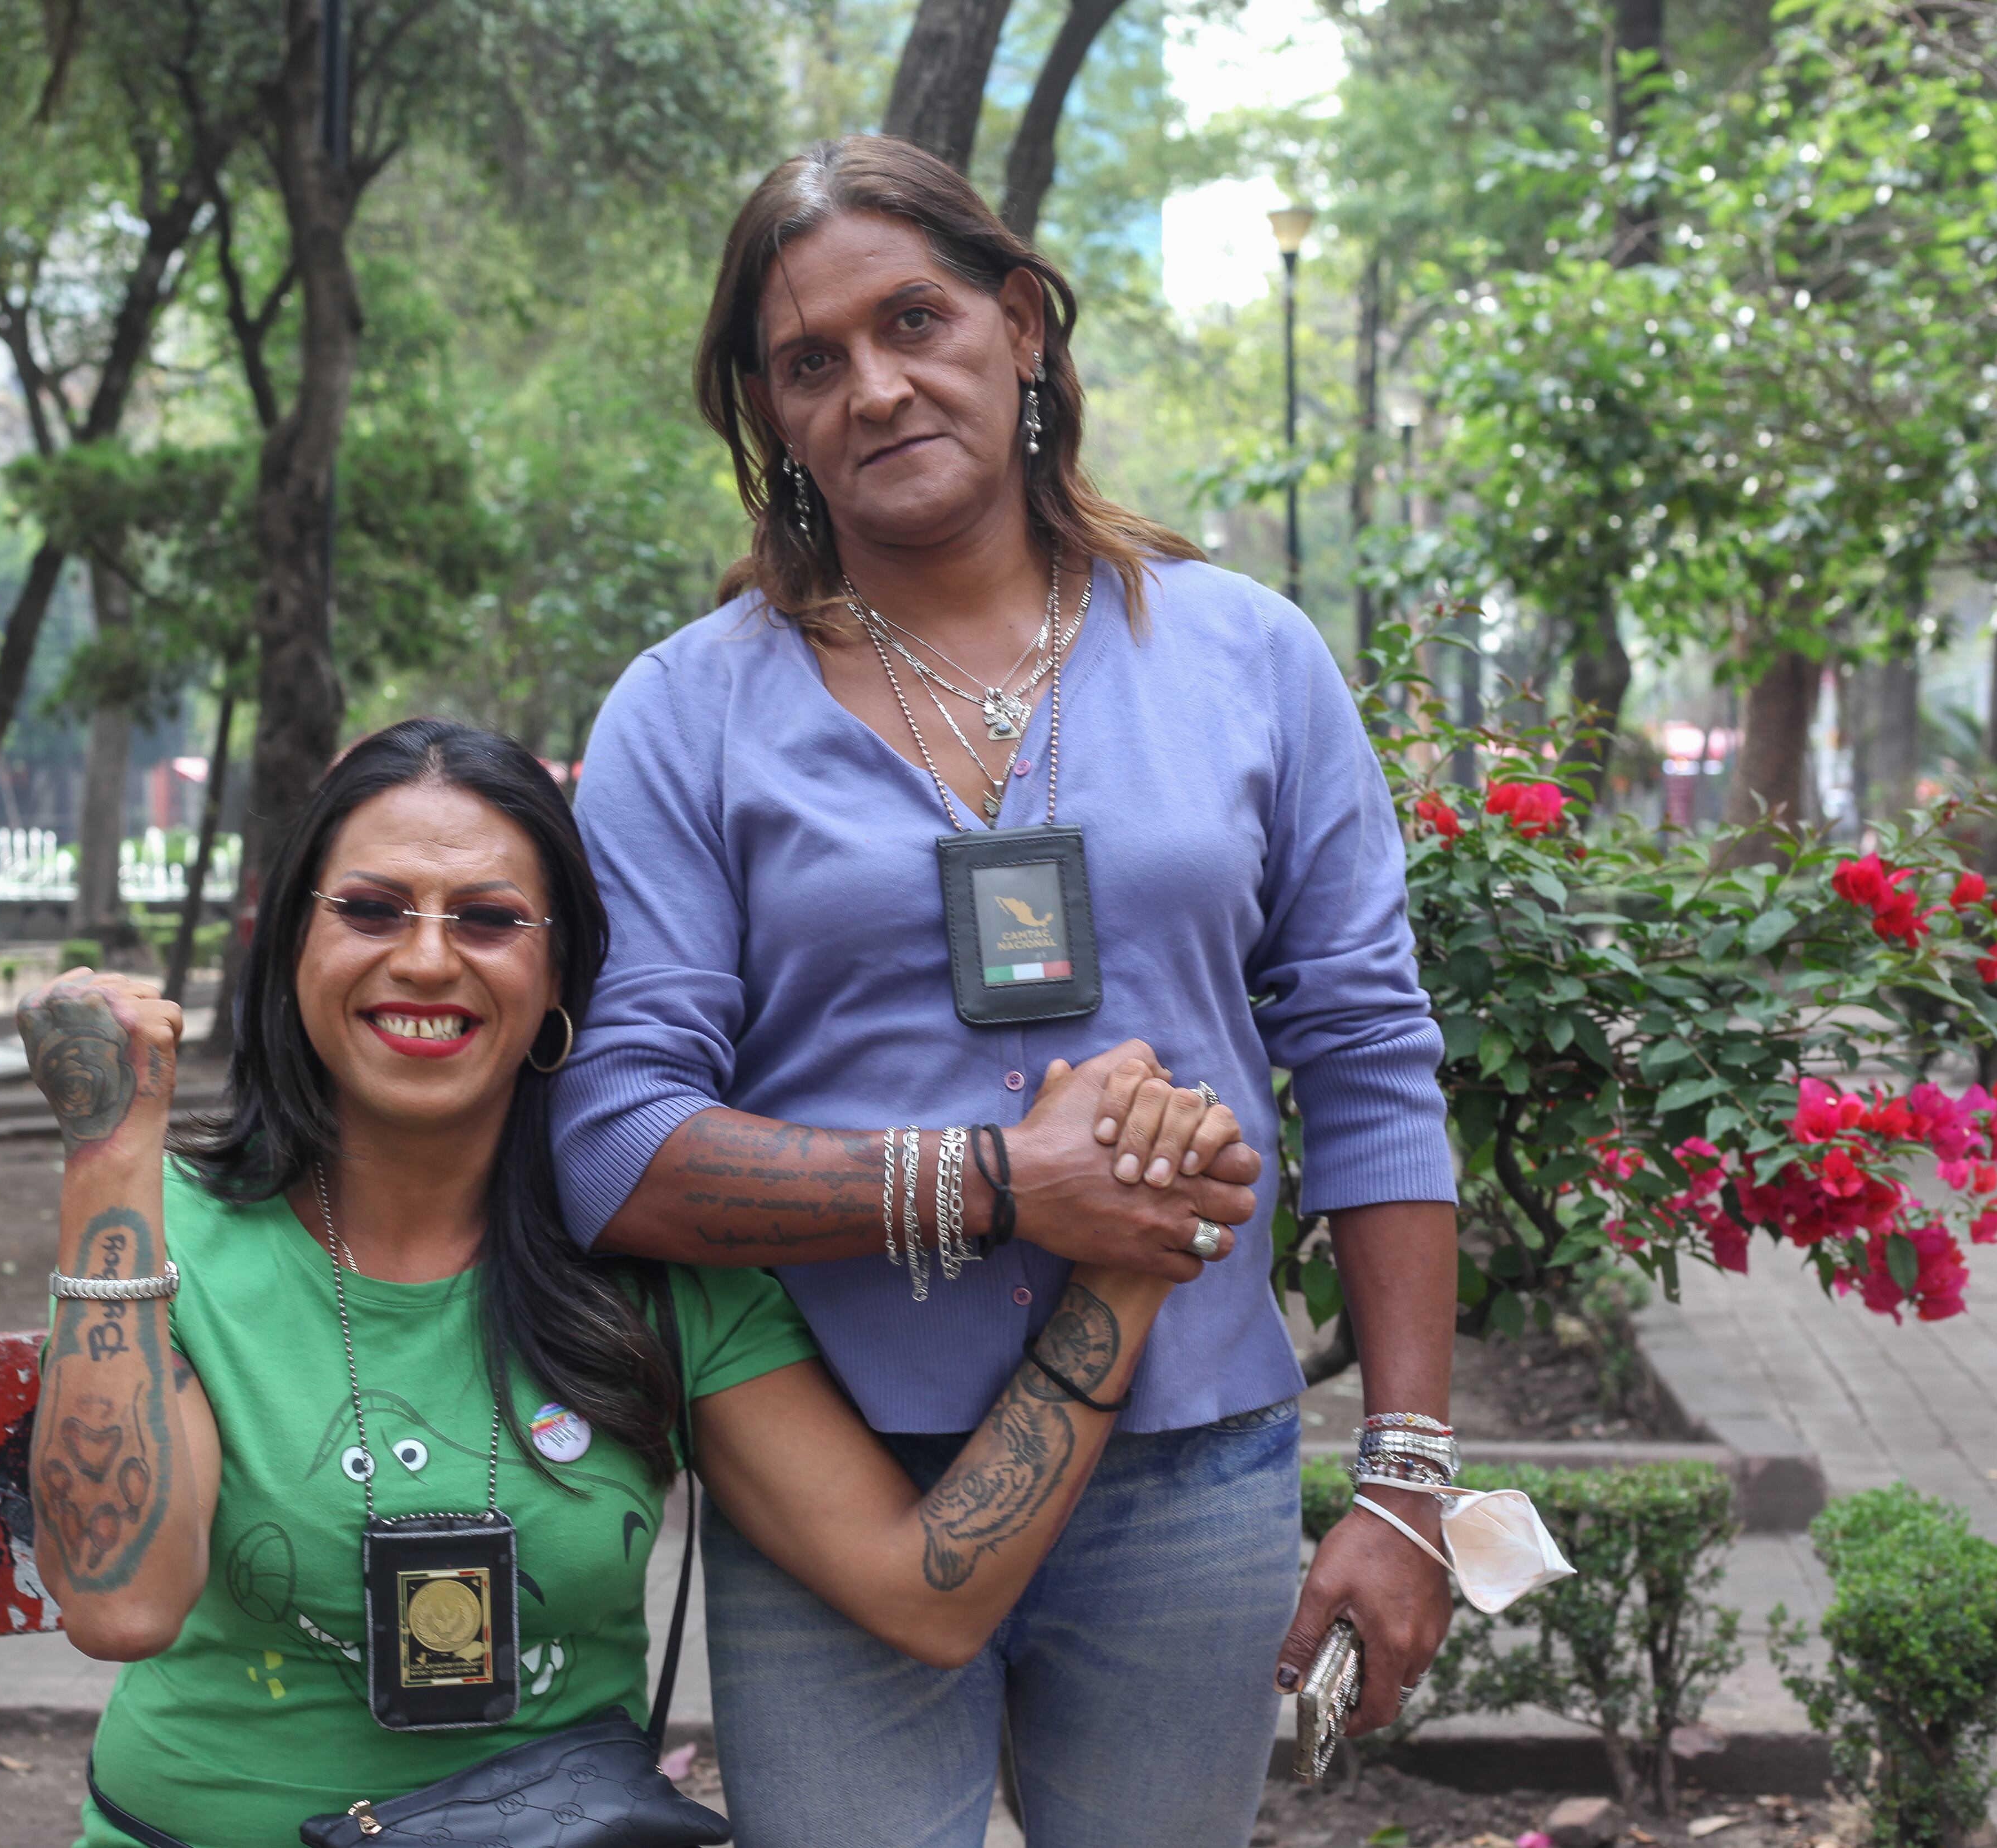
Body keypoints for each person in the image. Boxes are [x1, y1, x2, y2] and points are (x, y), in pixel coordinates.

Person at [548, 136, 1464, 1847]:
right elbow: (614, 1139)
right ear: (770, 410)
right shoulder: (693, 711)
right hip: (833, 1466)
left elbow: (1369, 1052)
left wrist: (1407, 1470)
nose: (877, 386)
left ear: (1024, 323)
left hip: (1193, 1466)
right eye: (811, 362)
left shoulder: (1246, 655)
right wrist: (995, 1185)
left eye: (916, 319)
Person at [18, 716, 1197, 1847]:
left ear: (559, 977)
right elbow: (119, 1604)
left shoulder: (649, 1270)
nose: (424, 956)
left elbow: (928, 1590)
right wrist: (109, 1151)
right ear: (293, 949)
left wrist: (1128, 1265)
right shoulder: (161, 1233)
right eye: (371, 909)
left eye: (487, 919)